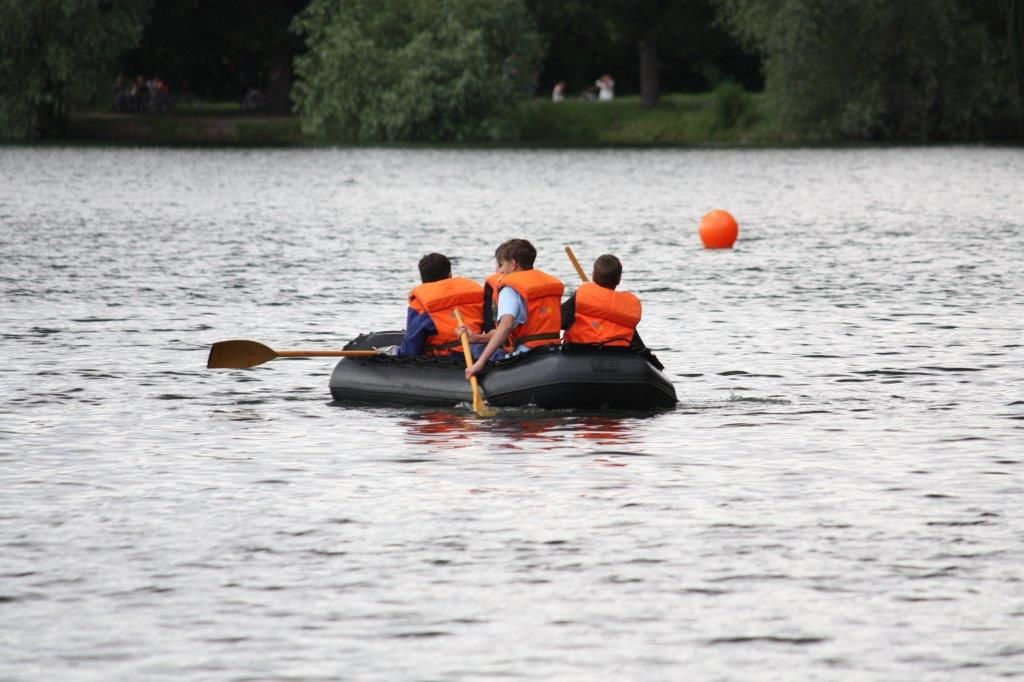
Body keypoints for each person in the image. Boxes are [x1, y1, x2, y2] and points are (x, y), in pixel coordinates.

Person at [459, 239, 565, 379]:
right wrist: (477, 337)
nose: (500, 270)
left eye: (501, 264)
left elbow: (506, 326)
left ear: (513, 264)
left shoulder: (510, 288)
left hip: (526, 355)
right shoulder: (547, 282)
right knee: (480, 342)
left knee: (477, 348)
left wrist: (479, 363)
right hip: (552, 350)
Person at [562, 254, 664, 369]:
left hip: (579, 357)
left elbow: (557, 321)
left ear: (594, 276)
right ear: (619, 279)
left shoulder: (579, 301)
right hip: (618, 358)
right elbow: (638, 344)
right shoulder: (624, 309)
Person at [395, 253, 484, 358]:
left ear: (422, 279)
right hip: (478, 353)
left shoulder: (421, 303)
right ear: (450, 275)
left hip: (449, 358)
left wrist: (396, 352)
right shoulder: (476, 292)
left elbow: (411, 350)